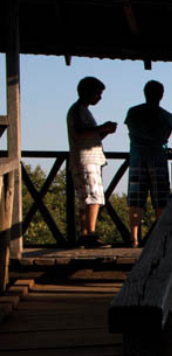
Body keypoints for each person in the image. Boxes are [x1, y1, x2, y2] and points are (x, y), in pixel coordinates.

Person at [66, 77, 117, 248]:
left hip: (84, 157)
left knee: (85, 199)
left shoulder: (81, 111)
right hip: (86, 159)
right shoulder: (78, 111)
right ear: (87, 92)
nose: (99, 97)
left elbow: (90, 135)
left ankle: (85, 234)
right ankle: (91, 234)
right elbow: (80, 132)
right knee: (94, 197)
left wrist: (105, 132)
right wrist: (102, 127)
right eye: (98, 93)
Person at [124, 80, 172, 248]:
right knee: (161, 200)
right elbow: (166, 135)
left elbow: (131, 130)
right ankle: (158, 238)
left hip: (137, 158)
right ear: (162, 95)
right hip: (158, 159)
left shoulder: (133, 112)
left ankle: (134, 238)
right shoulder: (166, 116)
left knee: (136, 200)